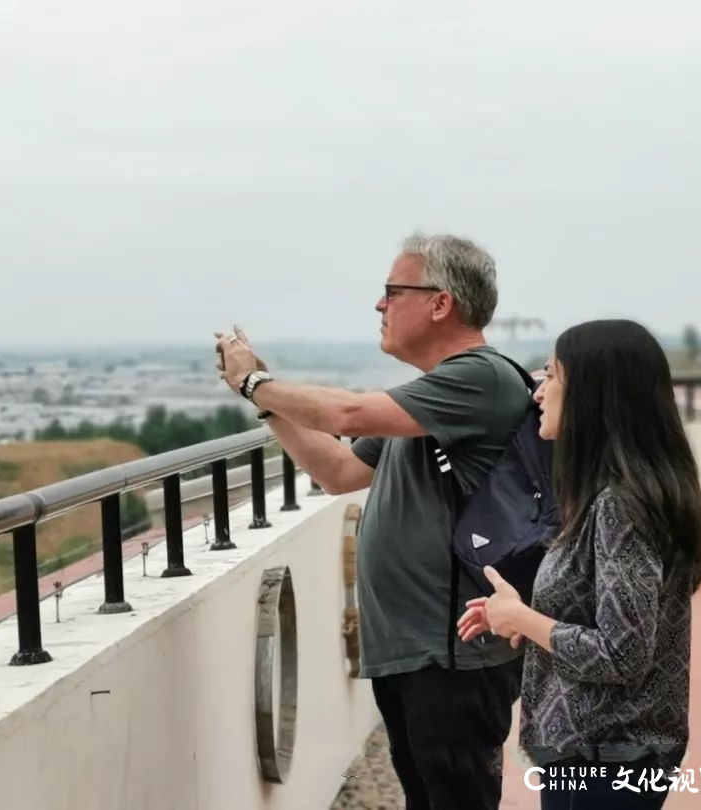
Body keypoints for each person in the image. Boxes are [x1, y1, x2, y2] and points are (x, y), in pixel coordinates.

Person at [215, 233, 532, 810]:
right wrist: (268, 403)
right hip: (415, 651)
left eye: (392, 291)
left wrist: (252, 382)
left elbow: (345, 412)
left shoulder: (480, 379)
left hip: (453, 655)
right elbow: (337, 469)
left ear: (441, 303)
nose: (380, 305)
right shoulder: (432, 400)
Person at [457, 319, 701, 809]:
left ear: (592, 397)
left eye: (551, 376)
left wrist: (525, 620)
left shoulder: (619, 507)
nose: (538, 393)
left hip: (604, 760)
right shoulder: (622, 496)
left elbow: (622, 653)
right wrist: (519, 615)